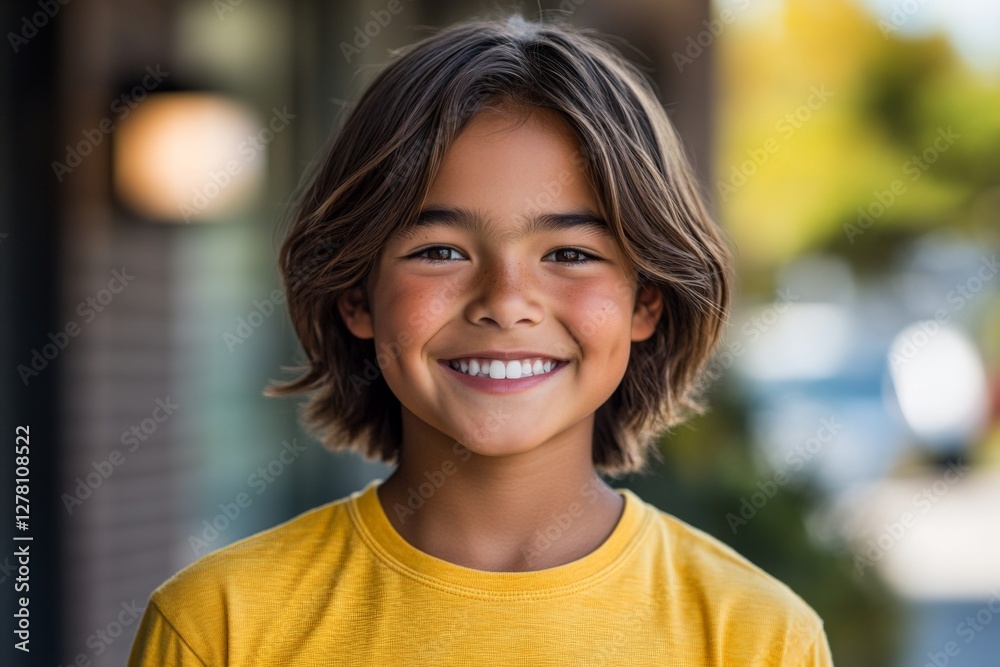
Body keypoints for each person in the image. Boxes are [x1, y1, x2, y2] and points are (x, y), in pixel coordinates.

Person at [128, 13, 833, 666]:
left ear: (645, 302)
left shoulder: (757, 636)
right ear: (356, 296)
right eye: (440, 251)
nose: (505, 302)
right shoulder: (218, 624)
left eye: (570, 254)